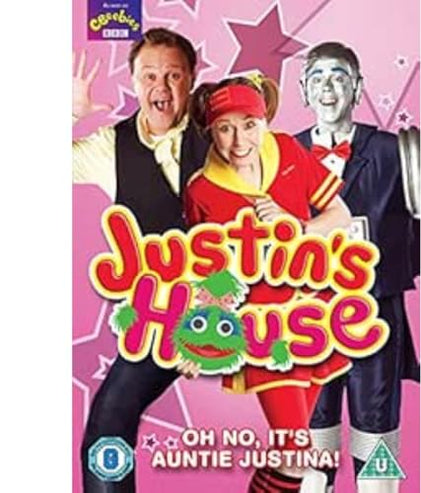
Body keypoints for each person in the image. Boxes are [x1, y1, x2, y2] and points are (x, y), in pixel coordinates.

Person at [184, 75, 353, 493]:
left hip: (313, 316)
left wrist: (296, 225)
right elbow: (211, 275)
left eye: (249, 125)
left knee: (287, 453)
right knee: (296, 458)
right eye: (225, 128)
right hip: (262, 330)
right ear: (210, 131)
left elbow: (341, 215)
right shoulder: (202, 190)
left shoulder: (288, 151)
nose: (239, 140)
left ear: (265, 121)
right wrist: (195, 339)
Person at [73, 28, 209, 492]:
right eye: (149, 75)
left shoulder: (224, 136)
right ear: (133, 82)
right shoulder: (110, 146)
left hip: (236, 303)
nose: (161, 86)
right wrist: (68, 116)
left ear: (191, 79)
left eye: (173, 75)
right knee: (108, 427)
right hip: (161, 317)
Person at [295, 42, 420, 493]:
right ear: (303, 90)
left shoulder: (396, 151)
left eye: (339, 76)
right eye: (317, 77)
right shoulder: (278, 156)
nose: (328, 87)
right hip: (304, 321)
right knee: (313, 442)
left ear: (358, 87)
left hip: (375, 320)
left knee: (377, 436)